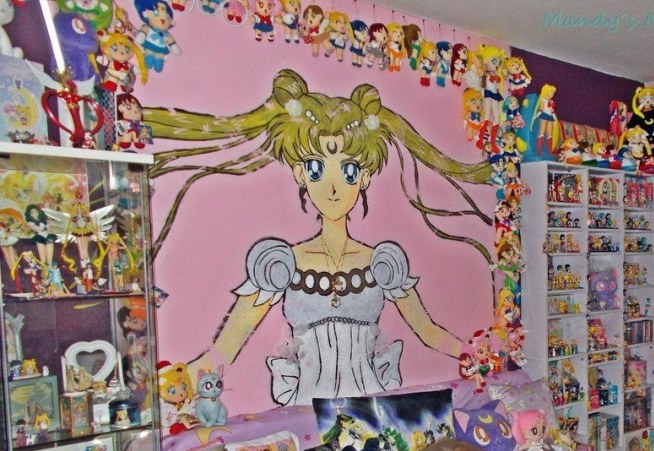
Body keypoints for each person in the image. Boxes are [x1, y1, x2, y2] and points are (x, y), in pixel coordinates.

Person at [146, 70, 492, 406]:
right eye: (316, 169)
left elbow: (427, 330)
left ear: (364, 178)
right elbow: (226, 348)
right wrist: (179, 380)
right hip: (308, 411)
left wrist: (473, 353)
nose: (332, 186)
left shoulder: (383, 263)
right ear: (300, 173)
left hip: (371, 409)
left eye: (348, 170)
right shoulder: (280, 263)